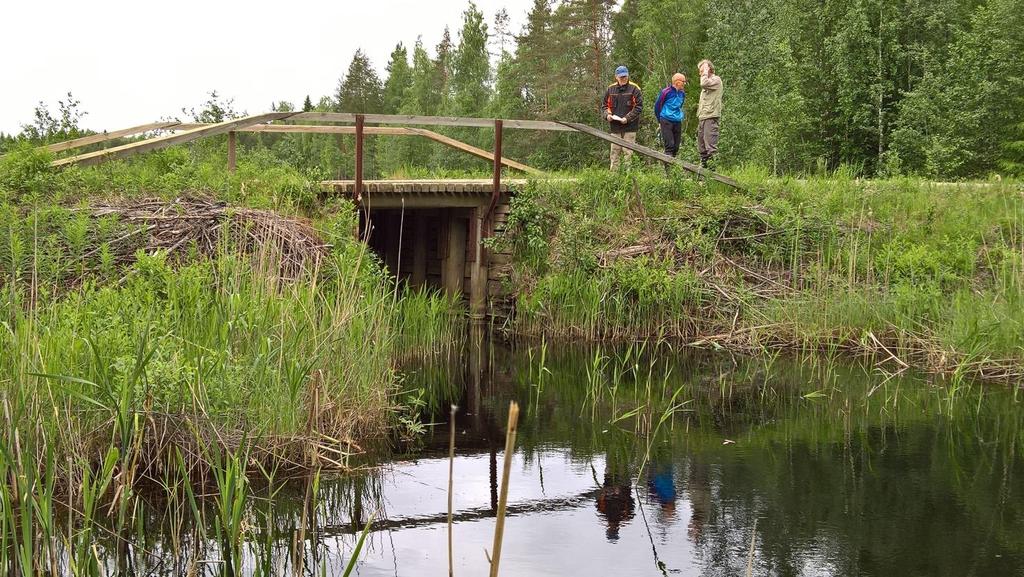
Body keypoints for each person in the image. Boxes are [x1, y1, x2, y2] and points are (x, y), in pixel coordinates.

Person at [603, 65, 643, 170]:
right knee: (614, 152)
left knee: (628, 152)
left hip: (630, 127)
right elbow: (604, 106)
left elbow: (638, 107)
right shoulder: (610, 89)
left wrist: (627, 118)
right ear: (616, 77)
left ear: (628, 75)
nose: (623, 78)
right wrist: (607, 115)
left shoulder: (635, 88)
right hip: (615, 127)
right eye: (621, 77)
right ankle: (614, 177)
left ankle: (628, 176)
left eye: (625, 76)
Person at [696, 59, 723, 169]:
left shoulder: (716, 80)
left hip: (711, 117)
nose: (700, 73)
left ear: (709, 69)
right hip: (703, 117)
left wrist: (705, 71)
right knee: (702, 148)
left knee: (710, 148)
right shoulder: (707, 81)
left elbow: (703, 83)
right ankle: (703, 177)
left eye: (702, 70)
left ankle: (713, 176)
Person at [653, 73, 687, 158]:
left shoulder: (682, 93)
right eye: (683, 81)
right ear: (677, 82)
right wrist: (659, 121)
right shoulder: (665, 92)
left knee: (676, 146)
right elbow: (657, 106)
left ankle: (674, 168)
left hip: (677, 121)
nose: (684, 84)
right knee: (670, 145)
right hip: (666, 120)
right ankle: (668, 170)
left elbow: (680, 105)